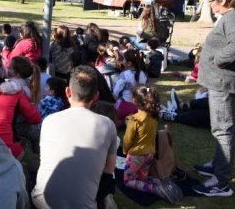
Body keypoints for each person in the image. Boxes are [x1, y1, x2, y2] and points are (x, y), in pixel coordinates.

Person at [193, 0, 235, 197]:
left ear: (223, 0)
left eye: (210, 1)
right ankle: (218, 165)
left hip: (225, 84)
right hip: (222, 83)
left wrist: (219, 60)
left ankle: (221, 182)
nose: (208, 5)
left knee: (223, 130)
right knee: (220, 128)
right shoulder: (232, 16)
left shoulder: (234, 17)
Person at [32, 65, 118, 209]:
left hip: (42, 202)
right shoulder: (107, 124)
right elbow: (109, 170)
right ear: (96, 96)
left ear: (68, 92)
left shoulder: (49, 120)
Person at [122, 85, 175, 202]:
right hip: (150, 153)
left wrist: (125, 150)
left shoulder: (134, 120)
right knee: (142, 177)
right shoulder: (154, 117)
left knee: (128, 181)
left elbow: (127, 140)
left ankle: (154, 189)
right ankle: (158, 182)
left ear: (135, 100)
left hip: (136, 155)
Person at [113, 49, 148, 126]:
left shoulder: (124, 74)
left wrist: (116, 101)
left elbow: (116, 92)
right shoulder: (143, 74)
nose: (122, 61)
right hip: (139, 108)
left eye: (124, 59)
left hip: (125, 107)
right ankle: (130, 121)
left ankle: (124, 122)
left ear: (129, 63)